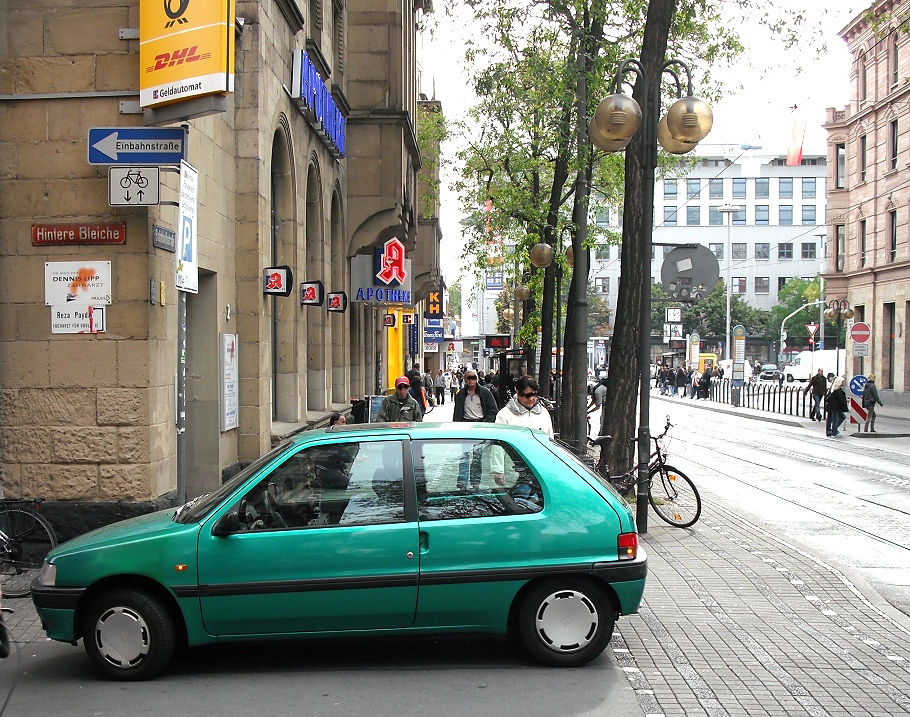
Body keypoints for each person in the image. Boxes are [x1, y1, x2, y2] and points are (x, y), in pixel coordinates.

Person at [492, 376, 553, 486]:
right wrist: (498, 470)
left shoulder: (543, 414)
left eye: (534, 394)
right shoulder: (504, 415)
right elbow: (498, 446)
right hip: (514, 473)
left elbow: (550, 441)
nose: (531, 399)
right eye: (527, 395)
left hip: (540, 471)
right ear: (518, 393)